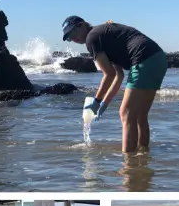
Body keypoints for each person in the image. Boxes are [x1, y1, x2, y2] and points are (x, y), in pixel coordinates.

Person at [61, 16, 167, 154]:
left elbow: (109, 74)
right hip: (158, 58)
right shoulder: (103, 35)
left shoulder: (91, 38)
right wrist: (105, 102)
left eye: (73, 33)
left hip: (143, 59)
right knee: (140, 115)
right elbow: (118, 76)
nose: (73, 38)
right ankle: (143, 156)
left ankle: (128, 164)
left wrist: (97, 101)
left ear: (82, 25)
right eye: (69, 37)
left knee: (126, 113)